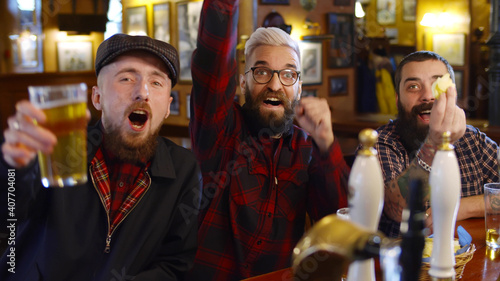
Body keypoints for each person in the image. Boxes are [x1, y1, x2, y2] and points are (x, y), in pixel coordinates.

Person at [0, 34, 202, 280]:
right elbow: (8, 216)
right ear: (97, 98)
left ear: (168, 106)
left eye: (156, 82)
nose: (142, 92)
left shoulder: (184, 170)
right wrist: (13, 168)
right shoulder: (54, 147)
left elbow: (175, 264)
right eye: (126, 78)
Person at [187, 0, 350, 280]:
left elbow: (337, 223)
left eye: (288, 74)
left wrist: (326, 143)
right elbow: (212, 66)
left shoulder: (307, 148)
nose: (275, 85)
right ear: (242, 83)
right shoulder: (220, 130)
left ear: (299, 88)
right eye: (262, 72)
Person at [373, 50, 499, 238]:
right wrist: (434, 144)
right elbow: (398, 209)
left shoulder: (473, 139)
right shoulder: (382, 142)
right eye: (413, 86)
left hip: (476, 261)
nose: (428, 96)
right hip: (407, 263)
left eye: (437, 85)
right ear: (398, 100)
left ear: (452, 95)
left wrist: (459, 207)